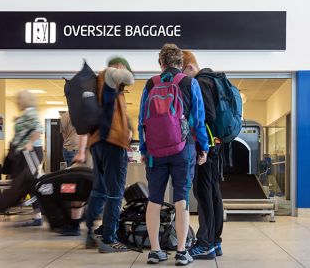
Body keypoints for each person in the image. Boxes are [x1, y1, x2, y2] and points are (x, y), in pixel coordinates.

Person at [138, 44, 209, 266]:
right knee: (181, 199)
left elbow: (142, 121)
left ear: (161, 63)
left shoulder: (150, 84)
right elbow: (198, 120)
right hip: (183, 149)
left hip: (155, 152)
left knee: (154, 200)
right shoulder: (190, 83)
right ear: (180, 62)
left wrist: (143, 149)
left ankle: (155, 251)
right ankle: (181, 251)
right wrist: (203, 147)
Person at [73, 57, 134, 253]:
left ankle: (90, 233)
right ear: (119, 66)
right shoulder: (109, 76)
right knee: (115, 193)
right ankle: (109, 239)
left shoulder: (99, 85)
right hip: (112, 144)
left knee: (99, 190)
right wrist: (123, 71)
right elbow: (128, 77)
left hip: (98, 143)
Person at [182, 50, 224, 259]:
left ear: (189, 67)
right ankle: (215, 241)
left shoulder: (200, 82)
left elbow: (207, 114)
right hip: (215, 144)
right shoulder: (213, 80)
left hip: (205, 147)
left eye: (183, 72)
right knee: (213, 193)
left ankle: (205, 243)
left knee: (204, 194)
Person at [12, 90, 44, 227]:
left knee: (32, 183)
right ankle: (37, 215)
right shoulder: (28, 113)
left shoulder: (30, 112)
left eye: (19, 100)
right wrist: (18, 120)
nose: (17, 102)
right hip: (27, 153)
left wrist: (30, 143)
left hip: (31, 152)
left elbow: (38, 129)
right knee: (29, 183)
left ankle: (39, 214)